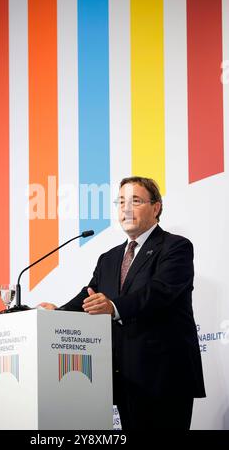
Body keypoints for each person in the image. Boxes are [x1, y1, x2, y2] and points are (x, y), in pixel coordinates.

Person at [40, 176, 206, 430]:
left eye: (136, 201)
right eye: (120, 202)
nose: (126, 209)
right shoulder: (109, 258)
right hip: (123, 377)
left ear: (156, 207)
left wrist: (114, 308)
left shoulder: (176, 247)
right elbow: (90, 296)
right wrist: (56, 313)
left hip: (165, 376)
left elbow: (159, 291)